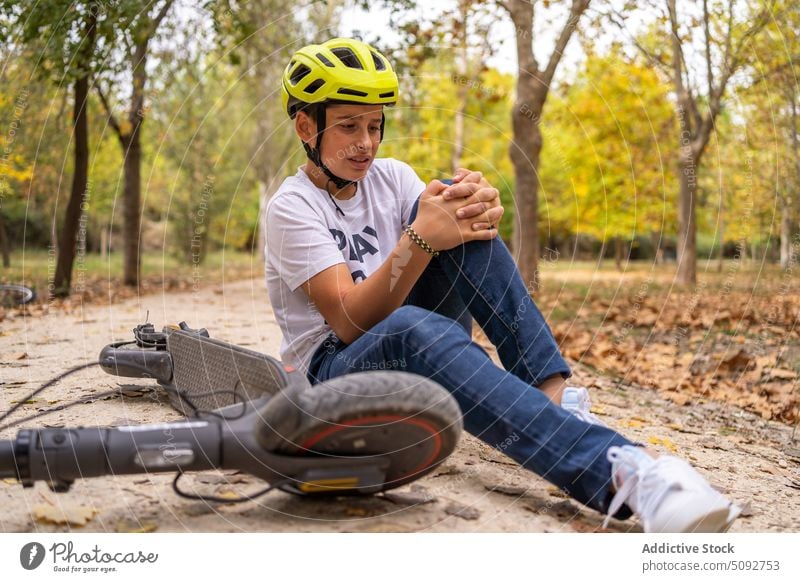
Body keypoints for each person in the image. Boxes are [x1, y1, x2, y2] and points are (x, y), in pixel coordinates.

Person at [265, 37, 740, 532]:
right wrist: (420, 237)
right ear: (306, 125)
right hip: (334, 375)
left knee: (454, 204)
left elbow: (445, 230)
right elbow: (346, 320)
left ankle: (551, 399)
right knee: (413, 308)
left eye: (374, 125)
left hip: (408, 339)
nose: (366, 141)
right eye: (347, 127)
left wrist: (473, 208)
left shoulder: (393, 177)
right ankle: (626, 476)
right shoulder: (292, 207)